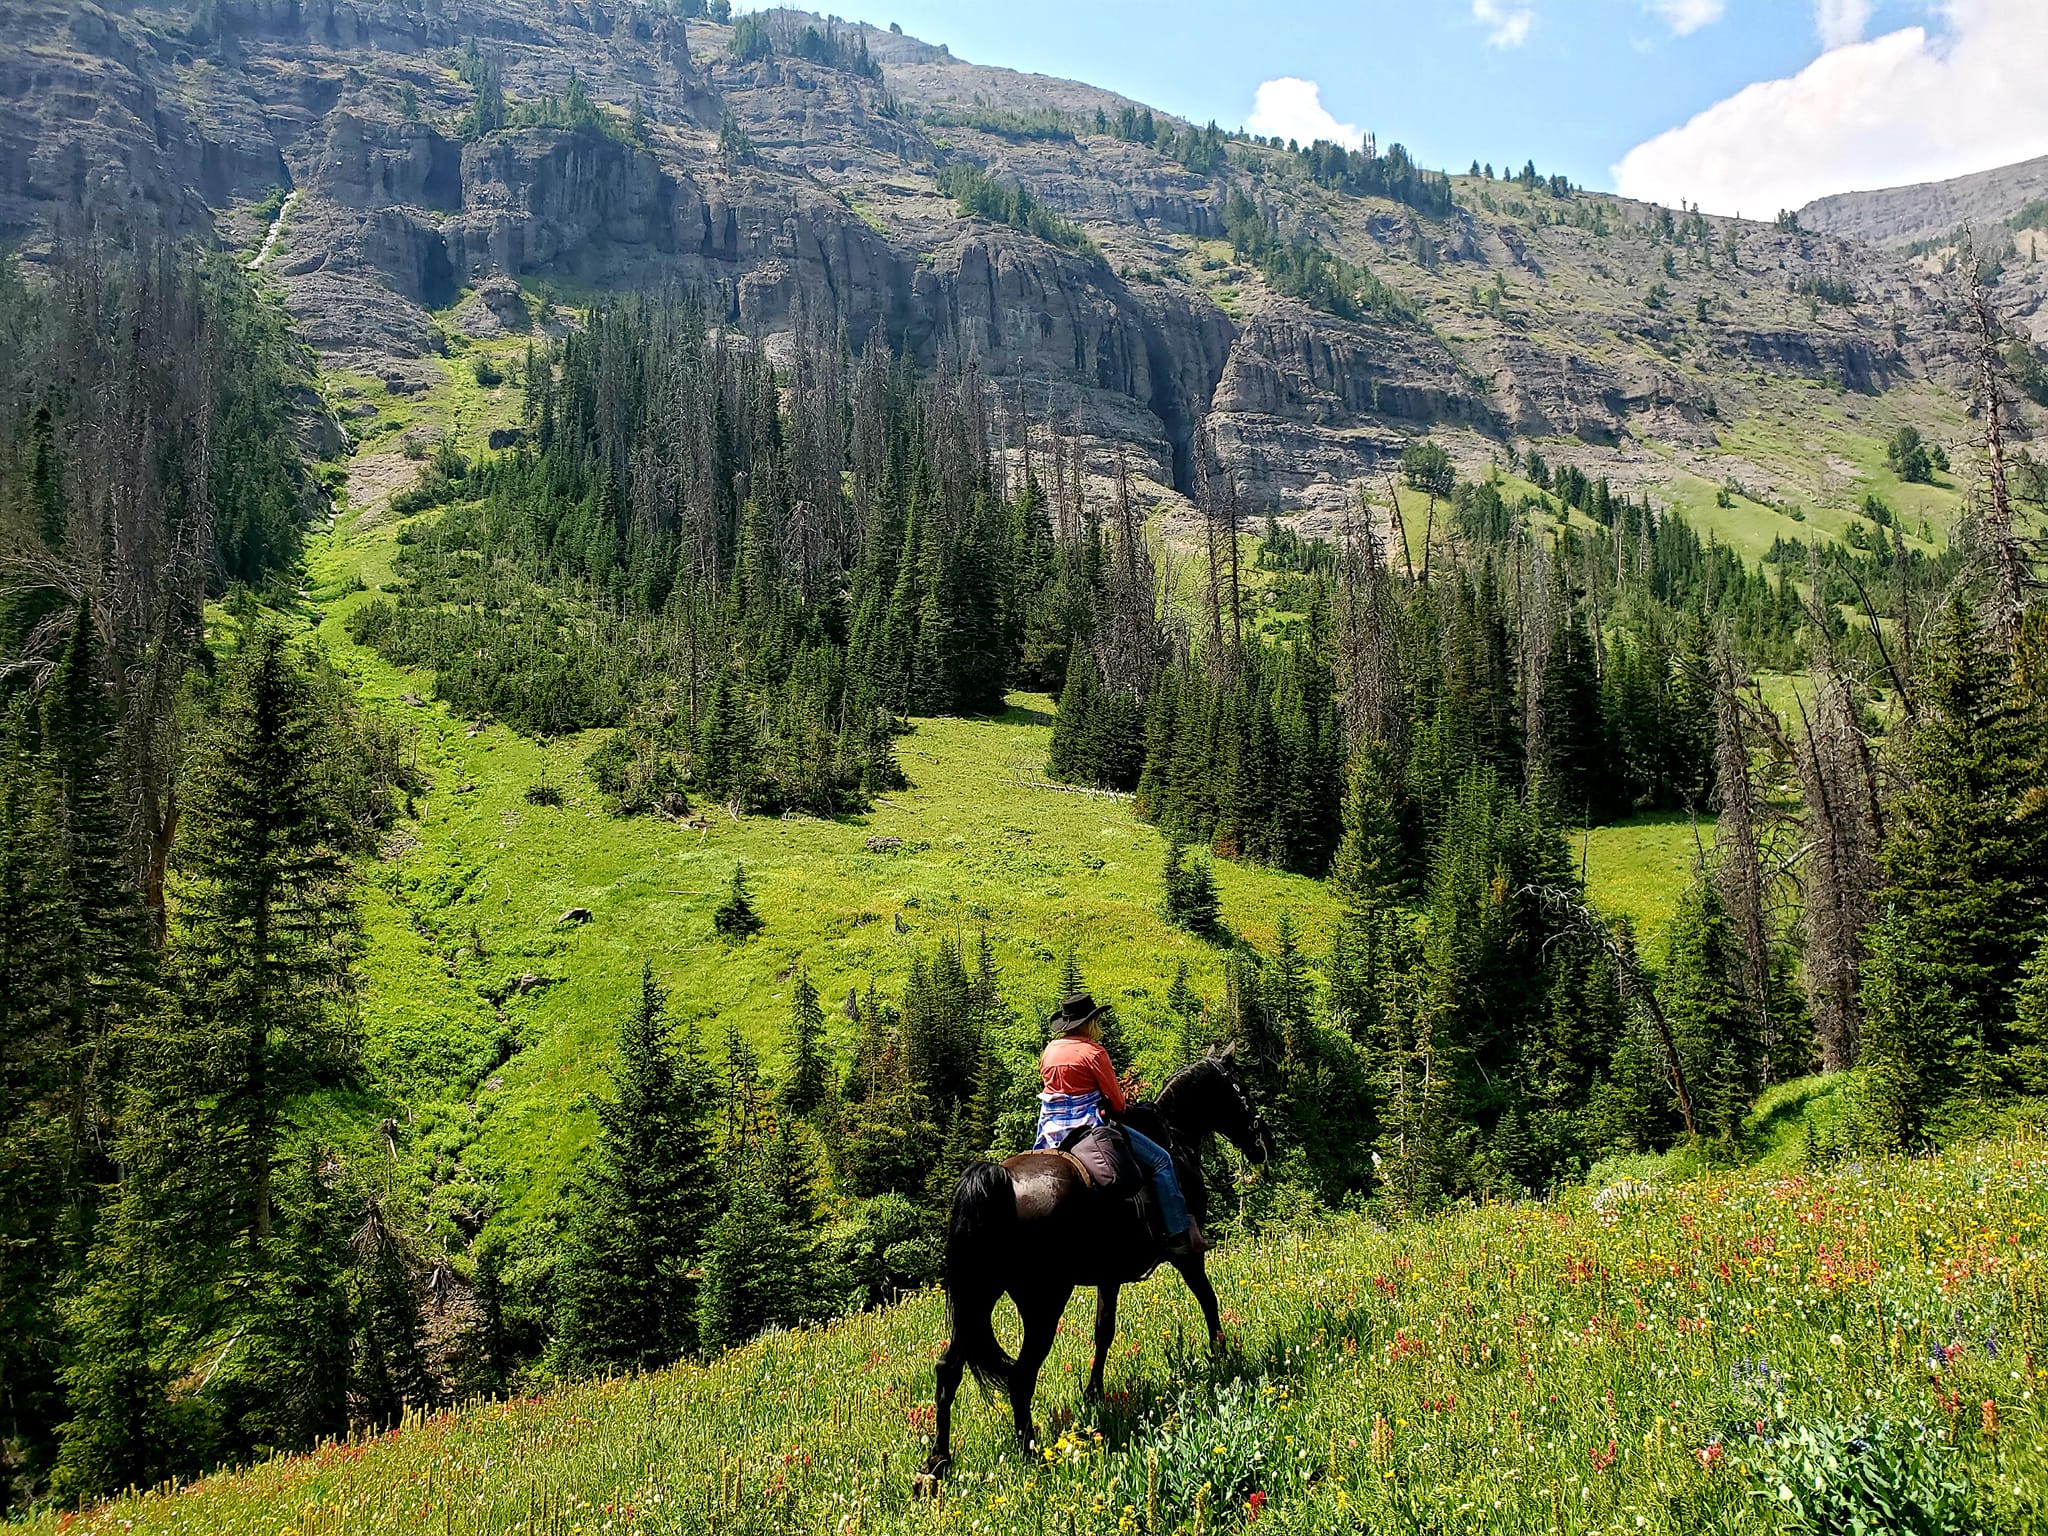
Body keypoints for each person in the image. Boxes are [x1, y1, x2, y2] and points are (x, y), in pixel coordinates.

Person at [1035, 992, 1209, 1256]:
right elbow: (1116, 1103)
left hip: (1050, 1129)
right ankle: (1177, 1235)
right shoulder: (1094, 1052)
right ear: (1088, 1023)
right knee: (1162, 1160)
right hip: (1087, 1125)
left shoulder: (1050, 1051)